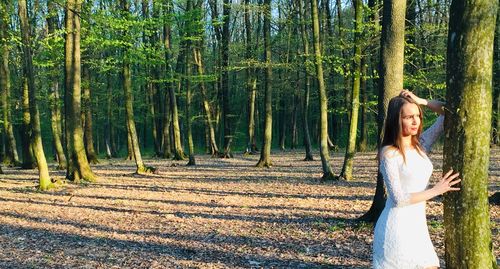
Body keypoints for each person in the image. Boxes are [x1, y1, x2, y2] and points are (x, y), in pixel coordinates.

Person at [372, 90, 461, 269]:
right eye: (408, 117)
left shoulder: (421, 144)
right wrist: (436, 190)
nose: (415, 121)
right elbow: (398, 198)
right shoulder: (389, 153)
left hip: (417, 226)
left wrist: (422, 101)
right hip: (396, 228)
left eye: (417, 116)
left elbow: (448, 113)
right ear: (396, 120)